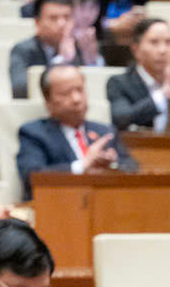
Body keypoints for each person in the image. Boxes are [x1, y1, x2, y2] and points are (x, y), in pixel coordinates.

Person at [15, 64, 134, 196]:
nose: (76, 99)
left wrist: (113, 165)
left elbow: (133, 168)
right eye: (66, 93)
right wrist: (83, 165)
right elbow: (31, 176)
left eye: (80, 90)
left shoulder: (106, 131)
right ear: (48, 101)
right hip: (57, 206)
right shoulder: (33, 133)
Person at [106, 16, 170, 133]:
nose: (163, 50)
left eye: (169, 42)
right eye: (154, 42)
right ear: (135, 49)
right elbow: (121, 118)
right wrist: (163, 94)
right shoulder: (119, 83)